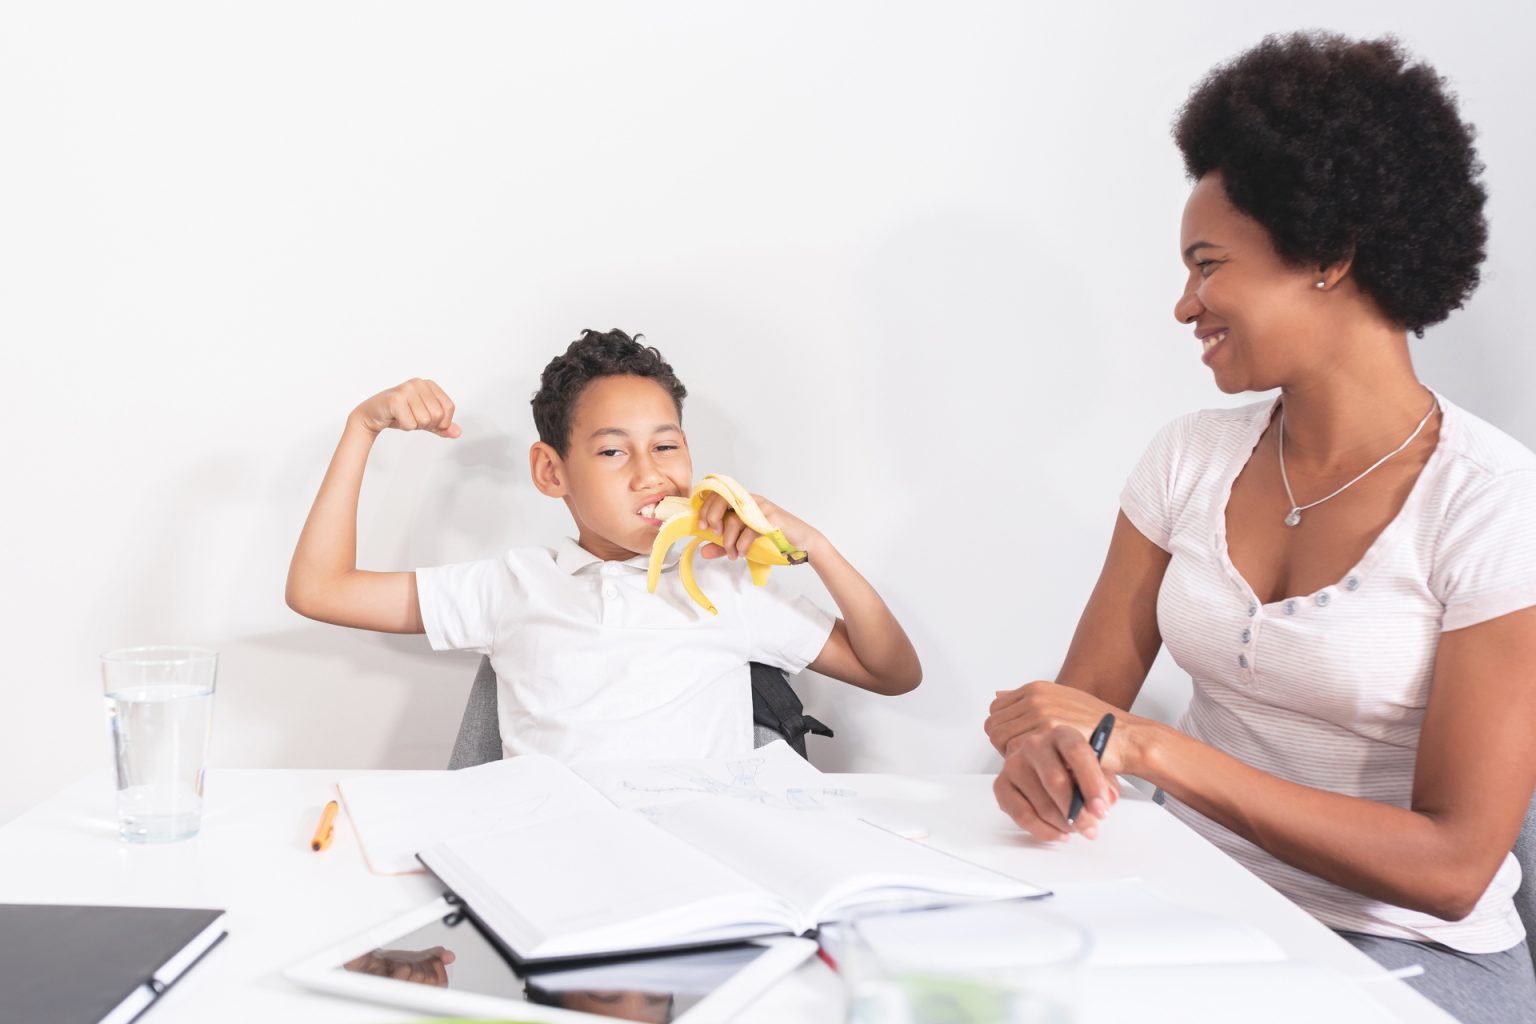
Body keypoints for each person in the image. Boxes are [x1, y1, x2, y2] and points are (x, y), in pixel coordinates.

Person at [984, 32, 1536, 1021]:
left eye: (1208, 265)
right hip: (1191, 912)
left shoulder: (1492, 502)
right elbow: (1084, 710)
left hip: (1403, 959)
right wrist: (1042, 753)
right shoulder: (1186, 458)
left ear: (1330, 255)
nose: (1184, 303)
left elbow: (1455, 864)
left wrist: (1153, 751)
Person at [286, 328, 920, 763]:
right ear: (550, 472)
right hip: (558, 870)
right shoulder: (515, 586)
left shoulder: (729, 587)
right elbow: (321, 590)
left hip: (700, 870)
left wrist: (817, 548)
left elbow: (892, 673)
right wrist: (362, 428)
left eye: (666, 446)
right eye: (614, 451)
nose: (649, 472)